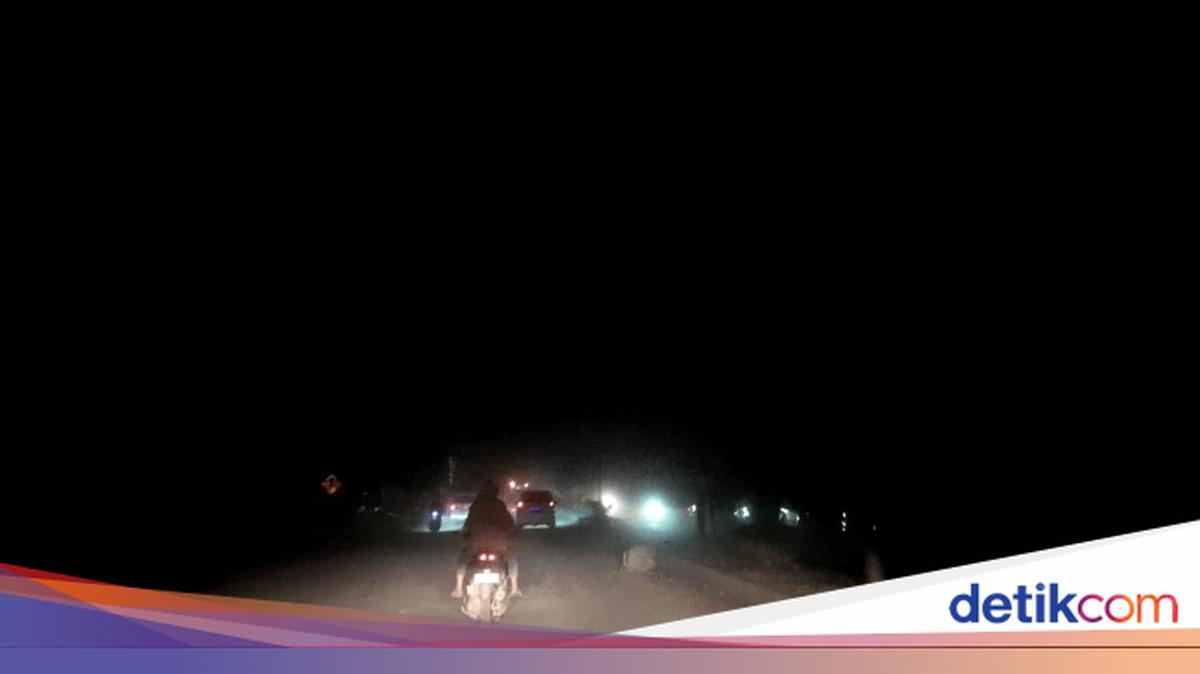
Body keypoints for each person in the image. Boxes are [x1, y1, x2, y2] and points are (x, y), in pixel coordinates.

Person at [451, 479, 521, 598]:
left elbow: (468, 524)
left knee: (463, 558)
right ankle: (514, 588)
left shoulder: (476, 505)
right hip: (499, 544)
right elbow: (509, 524)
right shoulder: (500, 505)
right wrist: (513, 532)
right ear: (496, 492)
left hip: (477, 544)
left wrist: (464, 534)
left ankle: (458, 589)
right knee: (511, 557)